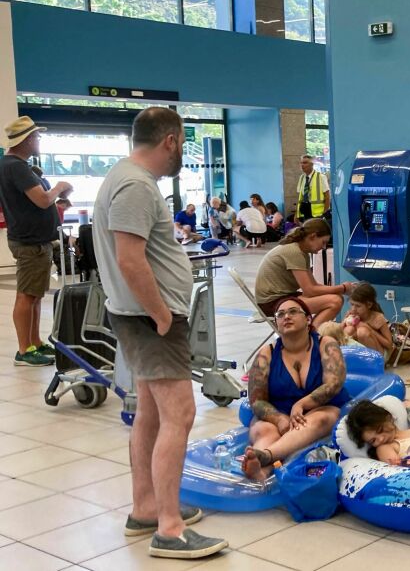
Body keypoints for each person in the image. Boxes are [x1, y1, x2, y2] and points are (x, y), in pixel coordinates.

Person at [91, 107, 226, 558]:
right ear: (169, 140)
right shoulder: (134, 184)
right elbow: (130, 259)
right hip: (150, 320)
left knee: (149, 411)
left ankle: (147, 507)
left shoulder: (125, 179)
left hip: (140, 317)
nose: (181, 152)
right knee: (180, 415)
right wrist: (162, 315)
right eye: (183, 142)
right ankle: (168, 528)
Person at [242, 297, 350, 480]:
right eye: (280, 314)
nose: (286, 317)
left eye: (293, 311)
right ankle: (258, 466)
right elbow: (256, 399)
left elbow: (334, 384)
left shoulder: (326, 344)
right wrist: (279, 419)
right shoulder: (266, 354)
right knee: (265, 430)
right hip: (279, 412)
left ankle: (266, 457)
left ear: (308, 319)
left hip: (320, 409)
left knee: (319, 420)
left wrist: (301, 404)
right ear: (276, 322)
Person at [0, 116, 72, 367]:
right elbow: (42, 200)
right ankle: (24, 349)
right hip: (29, 241)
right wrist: (59, 187)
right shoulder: (16, 166)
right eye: (36, 137)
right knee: (27, 295)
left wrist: (57, 200)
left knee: (35, 295)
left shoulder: (15, 165)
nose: (39, 141)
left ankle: (35, 342)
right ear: (27, 139)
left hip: (36, 239)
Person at [254, 218, 355, 325]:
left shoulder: (302, 252)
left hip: (280, 297)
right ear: (313, 236)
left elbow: (314, 286)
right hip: (270, 304)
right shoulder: (294, 251)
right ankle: (311, 336)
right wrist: (342, 288)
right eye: (323, 242)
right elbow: (310, 290)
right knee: (335, 301)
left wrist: (342, 289)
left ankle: (310, 333)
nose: (324, 247)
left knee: (336, 298)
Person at [343, 283, 393, 358]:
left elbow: (389, 345)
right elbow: (338, 334)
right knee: (348, 330)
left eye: (358, 306)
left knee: (362, 332)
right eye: (352, 304)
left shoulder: (378, 318)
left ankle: (374, 363)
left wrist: (370, 329)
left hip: (380, 354)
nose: (353, 309)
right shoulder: (352, 315)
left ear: (369, 305)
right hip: (362, 353)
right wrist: (344, 322)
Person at [295, 154, 330, 222]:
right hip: (304, 211)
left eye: (305, 163)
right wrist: (296, 214)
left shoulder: (321, 177)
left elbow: (327, 196)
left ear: (312, 164)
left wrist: (324, 213)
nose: (302, 165)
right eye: (301, 163)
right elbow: (300, 198)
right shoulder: (302, 178)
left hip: (317, 214)